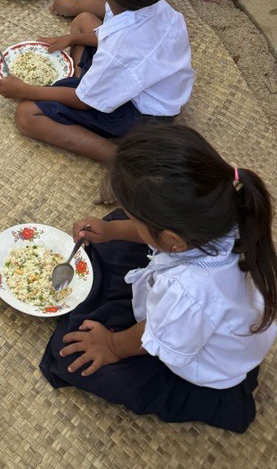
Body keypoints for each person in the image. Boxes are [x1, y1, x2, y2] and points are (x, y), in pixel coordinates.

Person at [40, 124, 277, 432]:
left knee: (69, 354)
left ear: (171, 238)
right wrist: (113, 231)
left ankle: (216, 399)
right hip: (206, 308)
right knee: (111, 233)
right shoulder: (225, 209)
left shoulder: (187, 291)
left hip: (203, 358)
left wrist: (111, 345)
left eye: (137, 220)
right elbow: (162, 242)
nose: (129, 219)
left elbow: (148, 333)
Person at [0, 0, 194, 162]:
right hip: (145, 82)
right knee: (83, 22)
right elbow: (118, 39)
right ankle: (84, 82)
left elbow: (83, 100)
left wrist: (24, 90)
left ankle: (118, 160)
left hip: (139, 114)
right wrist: (72, 39)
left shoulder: (119, 48)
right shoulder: (152, 4)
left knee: (27, 114)